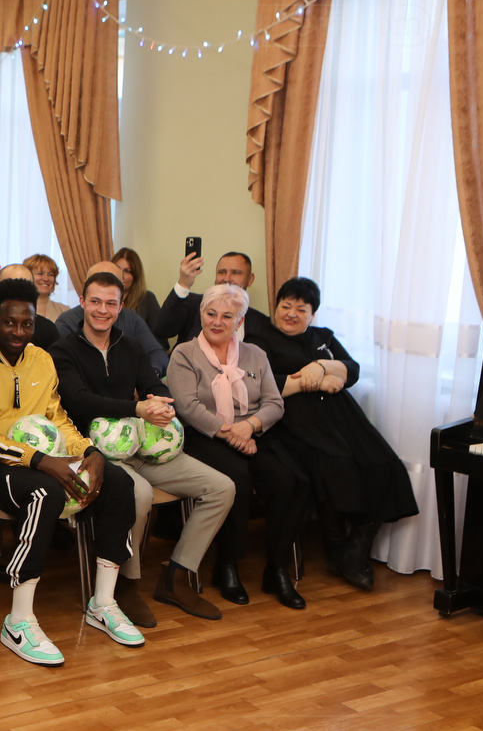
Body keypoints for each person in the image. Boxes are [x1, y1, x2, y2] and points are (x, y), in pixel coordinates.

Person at [0, 277, 137, 662]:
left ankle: (103, 603)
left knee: (118, 481)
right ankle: (19, 621)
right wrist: (40, 460)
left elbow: (57, 418)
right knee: (46, 492)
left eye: (26, 324)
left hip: (42, 458)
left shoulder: (41, 359)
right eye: (9, 323)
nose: (19, 332)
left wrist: (89, 451)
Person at [50, 272, 233, 624]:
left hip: (142, 446)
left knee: (222, 487)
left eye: (111, 303)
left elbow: (153, 384)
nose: (102, 310)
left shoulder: (131, 346)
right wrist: (137, 408)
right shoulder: (63, 350)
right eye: (95, 301)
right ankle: (126, 583)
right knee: (140, 493)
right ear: (82, 302)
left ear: (121, 307)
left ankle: (177, 575)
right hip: (95, 452)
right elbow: (79, 400)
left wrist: (161, 402)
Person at [245, 277, 417, 590]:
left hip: (342, 415)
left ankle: (356, 546)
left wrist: (323, 367)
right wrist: (316, 380)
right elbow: (261, 385)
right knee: (336, 463)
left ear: (312, 314)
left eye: (301, 309)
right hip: (295, 419)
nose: (291, 313)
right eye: (286, 306)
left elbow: (353, 369)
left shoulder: (323, 336)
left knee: (385, 464)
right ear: (276, 307)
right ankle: (337, 547)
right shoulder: (260, 339)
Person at [165, 283, 305, 609]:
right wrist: (231, 434)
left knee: (290, 479)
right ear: (202, 315)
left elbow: (274, 403)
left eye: (227, 316)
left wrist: (249, 426)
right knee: (236, 480)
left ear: (239, 321)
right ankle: (226, 564)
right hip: (205, 436)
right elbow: (187, 407)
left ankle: (277, 568)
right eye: (211, 314)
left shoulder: (256, 355)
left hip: (252, 433)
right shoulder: (184, 354)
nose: (217, 322)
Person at [53, 260, 170, 375]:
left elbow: (157, 354)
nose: (102, 310)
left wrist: (149, 375)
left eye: (111, 283)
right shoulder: (67, 322)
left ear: (121, 288)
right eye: (98, 282)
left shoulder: (131, 318)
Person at [156, 250, 269, 347]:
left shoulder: (261, 323)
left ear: (250, 279)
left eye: (235, 273)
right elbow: (162, 330)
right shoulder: (194, 304)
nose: (227, 278)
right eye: (222, 272)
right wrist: (183, 284)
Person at [111, 246, 161, 329]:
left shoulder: (147, 299)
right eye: (117, 269)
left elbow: (159, 334)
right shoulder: (102, 297)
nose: (121, 275)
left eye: (127, 271)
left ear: (135, 276)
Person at [23, 253, 70, 321]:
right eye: (40, 273)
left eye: (50, 274)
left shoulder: (65, 311)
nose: (46, 279)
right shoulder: (17, 309)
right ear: (28, 276)